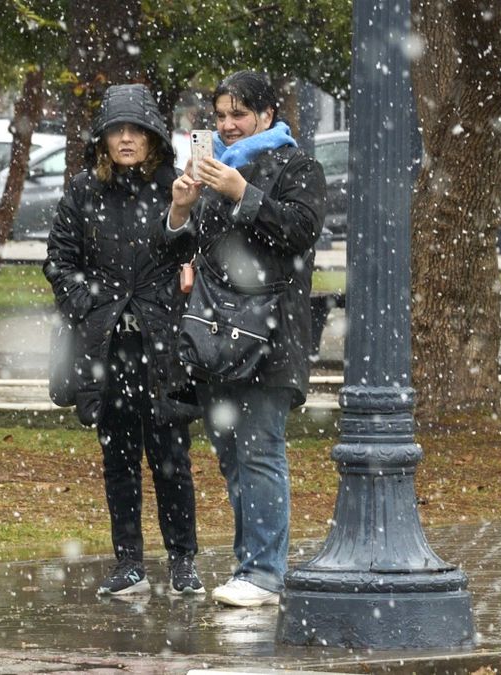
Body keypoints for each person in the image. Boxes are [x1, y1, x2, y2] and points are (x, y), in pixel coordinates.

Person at [151, 71, 326, 608]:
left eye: (240, 114)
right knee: (231, 455)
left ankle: (265, 573)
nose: (228, 125)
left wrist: (244, 193)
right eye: (221, 115)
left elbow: (299, 231)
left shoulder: (299, 166)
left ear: (267, 115)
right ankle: (250, 566)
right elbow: (178, 254)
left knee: (260, 452)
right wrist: (181, 207)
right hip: (213, 337)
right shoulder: (212, 170)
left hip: (269, 336)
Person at [44, 84, 203, 596]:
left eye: (136, 130)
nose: (127, 139)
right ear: (104, 139)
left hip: (163, 346)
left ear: (153, 137)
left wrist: (180, 213)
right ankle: (129, 562)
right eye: (118, 131)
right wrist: (90, 307)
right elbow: (60, 261)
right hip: (107, 349)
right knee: (118, 458)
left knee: (171, 456)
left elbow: (192, 250)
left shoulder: (175, 188)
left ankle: (182, 561)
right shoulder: (83, 191)